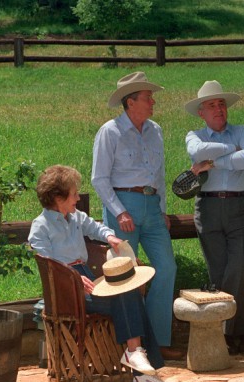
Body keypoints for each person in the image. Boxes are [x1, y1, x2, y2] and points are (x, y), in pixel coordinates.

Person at [28, 164, 171, 382]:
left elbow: (96, 228)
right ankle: (139, 367)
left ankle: (137, 361)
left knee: (131, 292)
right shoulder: (40, 226)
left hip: (86, 277)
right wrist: (73, 277)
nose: (77, 197)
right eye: (73, 193)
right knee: (128, 295)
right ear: (57, 197)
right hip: (65, 287)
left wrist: (112, 238)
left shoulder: (76, 217)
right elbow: (48, 265)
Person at [91, 72, 182, 361]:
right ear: (131, 102)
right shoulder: (110, 131)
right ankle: (134, 345)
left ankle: (158, 341)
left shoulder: (155, 130)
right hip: (124, 205)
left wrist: (162, 208)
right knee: (125, 278)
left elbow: (160, 174)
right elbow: (99, 179)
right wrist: (119, 211)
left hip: (151, 206)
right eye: (147, 97)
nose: (153, 101)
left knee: (166, 268)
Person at [184, 80, 244, 355]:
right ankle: (241, 333)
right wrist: (232, 151)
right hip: (208, 208)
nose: (218, 109)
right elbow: (196, 153)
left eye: (221, 104)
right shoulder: (194, 135)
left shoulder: (243, 131)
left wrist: (214, 162)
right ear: (201, 113)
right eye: (211, 105)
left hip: (239, 207)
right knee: (218, 272)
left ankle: (227, 330)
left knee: (236, 270)